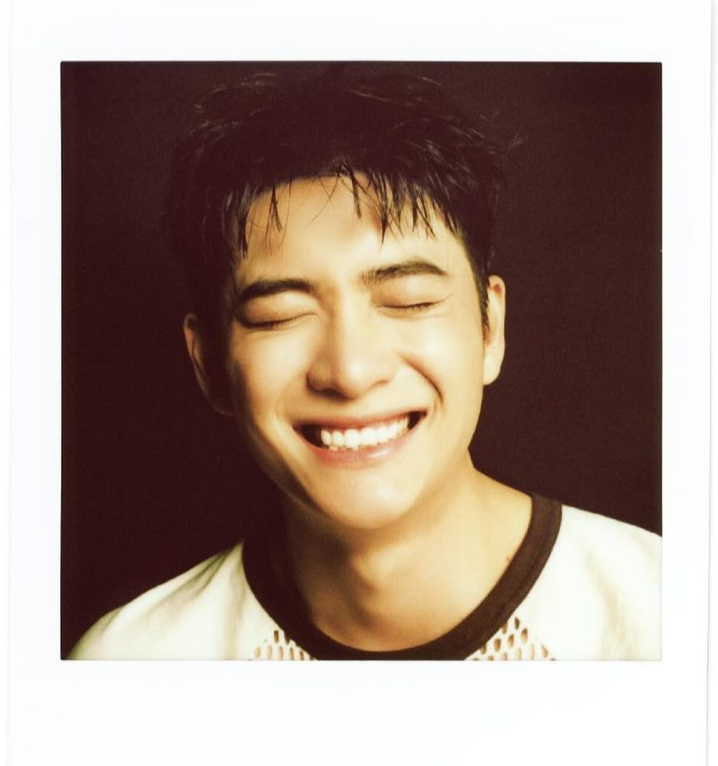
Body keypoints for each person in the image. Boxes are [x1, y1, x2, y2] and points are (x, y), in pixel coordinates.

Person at [69, 67, 660, 660]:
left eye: (410, 300)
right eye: (279, 314)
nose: (350, 372)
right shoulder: (128, 664)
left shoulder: (666, 615)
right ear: (210, 364)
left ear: (490, 328)